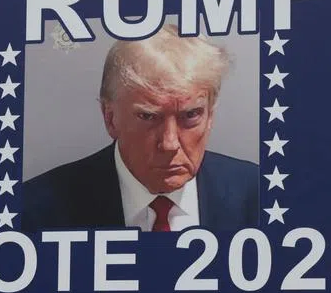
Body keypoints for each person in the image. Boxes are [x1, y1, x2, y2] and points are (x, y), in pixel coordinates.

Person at [20, 24, 259, 232]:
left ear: (210, 117)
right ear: (110, 118)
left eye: (191, 115)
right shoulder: (34, 212)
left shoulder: (260, 197)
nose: (169, 143)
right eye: (148, 116)